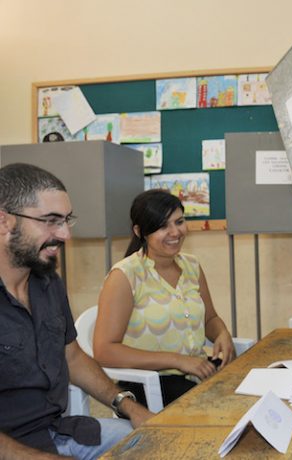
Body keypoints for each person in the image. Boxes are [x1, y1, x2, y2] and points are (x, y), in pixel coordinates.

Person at [0, 163, 152, 458]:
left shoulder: (47, 283)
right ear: (4, 221)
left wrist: (128, 405)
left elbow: (72, 356)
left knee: (154, 440)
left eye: (67, 220)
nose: (66, 234)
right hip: (13, 449)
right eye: (51, 221)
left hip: (58, 432)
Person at [93, 190, 235, 407]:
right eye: (162, 226)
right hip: (149, 385)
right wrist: (177, 361)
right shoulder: (125, 275)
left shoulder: (192, 266)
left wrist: (222, 333)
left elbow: (210, 319)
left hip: (196, 374)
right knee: (224, 408)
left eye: (179, 222)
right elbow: (104, 351)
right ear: (140, 232)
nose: (175, 232)